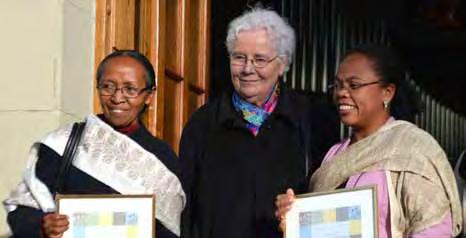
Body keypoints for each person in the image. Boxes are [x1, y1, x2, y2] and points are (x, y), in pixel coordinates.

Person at [179, 7, 338, 238]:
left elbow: (330, 199)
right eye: (239, 57)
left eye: (260, 59)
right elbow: (187, 208)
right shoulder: (203, 123)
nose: (247, 69)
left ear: (282, 64)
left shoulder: (314, 119)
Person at [275, 44, 463, 237]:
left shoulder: (412, 148)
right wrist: (295, 219)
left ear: (387, 92)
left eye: (354, 85)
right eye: (338, 85)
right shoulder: (334, 153)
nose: (341, 93)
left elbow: (435, 228)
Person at [4, 50, 186, 238]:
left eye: (130, 89)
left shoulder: (162, 158)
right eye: (108, 86)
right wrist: (43, 226)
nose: (117, 98)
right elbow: (22, 211)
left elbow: (171, 228)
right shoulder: (63, 144)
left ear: (148, 96)